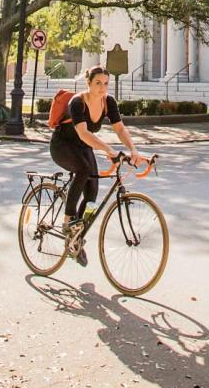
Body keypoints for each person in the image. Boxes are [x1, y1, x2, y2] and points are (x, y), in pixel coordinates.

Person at [49, 65, 148, 265]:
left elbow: (119, 128)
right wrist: (108, 150)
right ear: (88, 83)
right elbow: (83, 133)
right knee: (83, 171)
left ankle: (76, 241)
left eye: (105, 83)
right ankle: (67, 223)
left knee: (92, 194)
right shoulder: (77, 102)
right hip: (62, 145)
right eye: (98, 83)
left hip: (84, 148)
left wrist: (133, 149)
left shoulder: (108, 101)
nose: (102, 88)